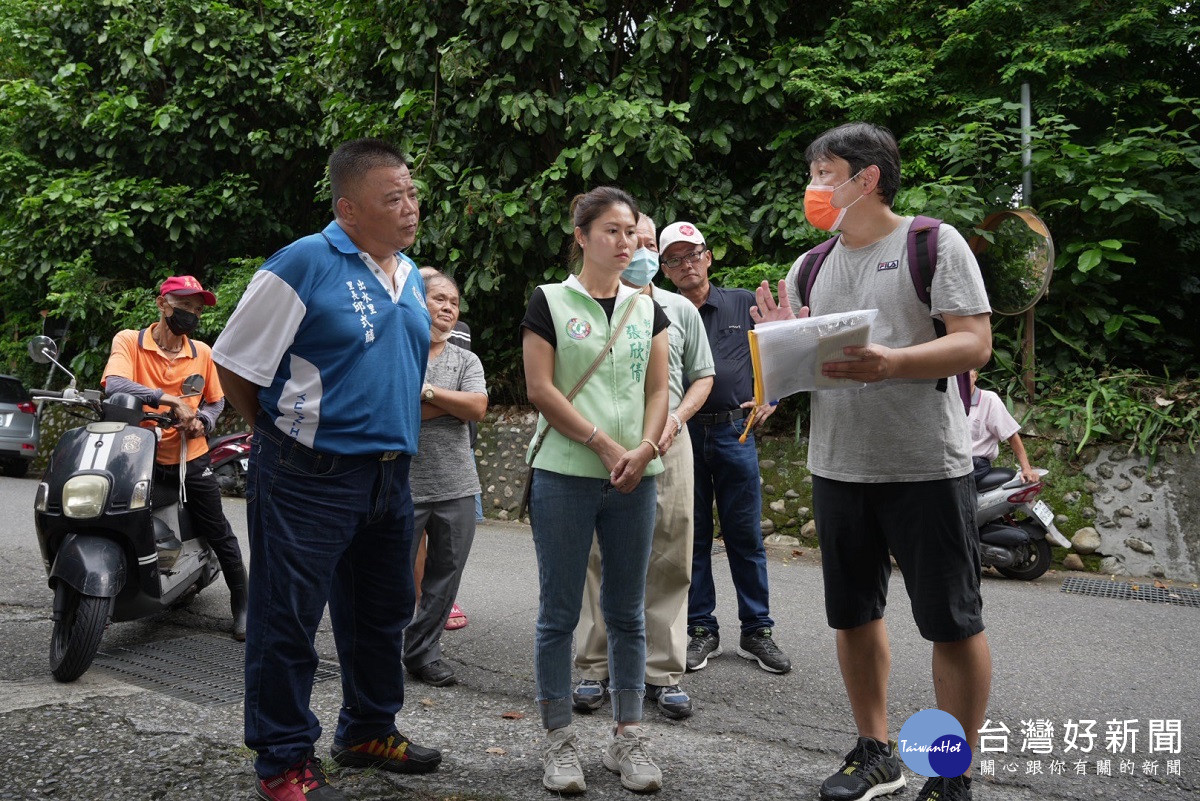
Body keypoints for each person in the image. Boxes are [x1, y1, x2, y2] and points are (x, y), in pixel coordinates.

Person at [752, 122, 993, 801]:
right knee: (853, 615)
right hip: (837, 466)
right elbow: (808, 365)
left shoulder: (931, 243)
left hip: (927, 466)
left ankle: (952, 772)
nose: (813, 188)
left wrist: (894, 361)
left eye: (824, 173)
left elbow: (975, 343)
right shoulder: (812, 266)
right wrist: (776, 362)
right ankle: (875, 750)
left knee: (952, 621)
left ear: (869, 178)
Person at [213, 138, 441, 801]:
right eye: (392, 198)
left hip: (388, 475)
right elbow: (235, 363)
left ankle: (367, 729)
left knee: (381, 610)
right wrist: (279, 432)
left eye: (413, 194)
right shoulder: (305, 262)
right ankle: (283, 759)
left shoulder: (408, 273)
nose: (409, 208)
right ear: (348, 208)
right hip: (308, 473)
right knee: (287, 619)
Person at [521, 186, 670, 794]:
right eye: (611, 230)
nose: (624, 241)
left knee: (628, 612)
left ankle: (627, 736)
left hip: (637, 477)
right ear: (581, 236)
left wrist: (645, 448)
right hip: (565, 472)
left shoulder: (646, 307)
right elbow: (540, 388)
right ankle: (558, 739)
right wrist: (605, 445)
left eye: (630, 231)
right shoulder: (550, 301)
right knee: (559, 613)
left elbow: (659, 388)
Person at [572, 213, 714, 720]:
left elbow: (703, 376)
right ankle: (593, 667)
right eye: (633, 238)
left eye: (649, 241)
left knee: (672, 554)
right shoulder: (582, 305)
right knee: (595, 556)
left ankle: (663, 671)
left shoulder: (678, 308)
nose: (640, 249)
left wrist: (676, 418)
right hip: (601, 448)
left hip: (668, 446)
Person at [657, 221, 793, 677]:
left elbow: (778, 353)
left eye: (693, 254)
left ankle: (758, 630)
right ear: (664, 269)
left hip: (736, 431)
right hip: (682, 434)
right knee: (690, 535)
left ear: (708, 257)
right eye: (674, 259)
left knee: (745, 536)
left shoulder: (742, 302)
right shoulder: (662, 310)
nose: (686, 264)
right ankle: (701, 629)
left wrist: (772, 394)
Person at [102, 275, 248, 640]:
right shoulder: (129, 341)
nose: (192, 315)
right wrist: (171, 400)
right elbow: (115, 384)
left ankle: (243, 604)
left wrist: (203, 421)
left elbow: (215, 400)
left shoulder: (203, 353)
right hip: (137, 456)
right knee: (114, 518)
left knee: (219, 531)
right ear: (162, 304)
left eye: (197, 310)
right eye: (185, 306)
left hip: (189, 458)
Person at [404, 270, 488, 687]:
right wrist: (450, 405)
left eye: (454, 302)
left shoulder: (466, 359)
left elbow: (476, 407)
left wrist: (428, 394)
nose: (448, 308)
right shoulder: (400, 350)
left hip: (457, 483)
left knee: (445, 575)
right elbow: (395, 411)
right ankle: (380, 650)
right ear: (419, 302)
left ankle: (422, 653)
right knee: (390, 575)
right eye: (439, 299)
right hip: (403, 483)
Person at [968, 369, 1037, 485]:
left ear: (975, 376)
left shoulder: (989, 399)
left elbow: (1010, 433)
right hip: (954, 464)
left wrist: (1026, 468)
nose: (961, 379)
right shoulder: (948, 401)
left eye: (966, 373)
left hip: (976, 464)